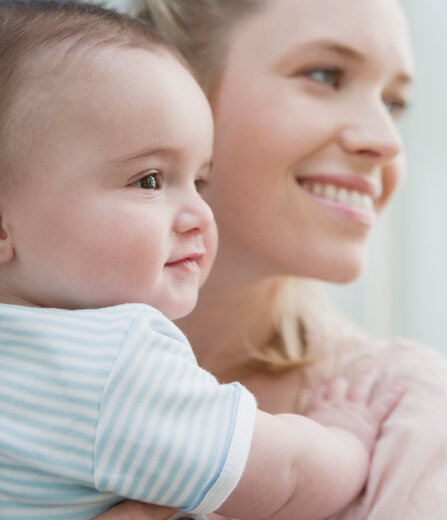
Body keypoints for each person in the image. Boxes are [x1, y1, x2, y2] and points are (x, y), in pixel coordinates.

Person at [0, 2, 406, 519]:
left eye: (201, 181)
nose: (198, 213)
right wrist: (348, 436)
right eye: (149, 180)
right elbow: (287, 475)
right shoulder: (119, 365)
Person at [102, 0, 447, 518]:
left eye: (395, 104)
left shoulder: (400, 410)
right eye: (326, 75)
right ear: (173, 90)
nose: (384, 141)